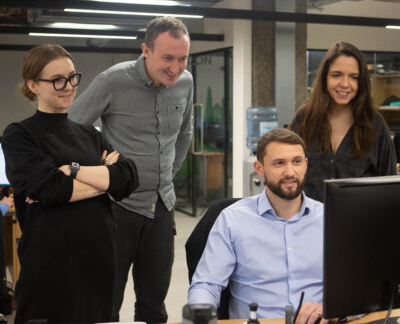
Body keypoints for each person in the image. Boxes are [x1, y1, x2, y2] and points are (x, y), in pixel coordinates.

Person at [68, 16, 193, 323]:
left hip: (162, 207)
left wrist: (167, 174)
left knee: (154, 303)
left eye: (182, 58)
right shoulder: (113, 80)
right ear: (146, 50)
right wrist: (98, 173)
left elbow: (185, 133)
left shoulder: (186, 82)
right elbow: (71, 129)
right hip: (117, 207)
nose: (176, 68)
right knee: (107, 301)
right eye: (167, 58)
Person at [2, 44, 139, 324]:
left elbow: (127, 178)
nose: (68, 86)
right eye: (57, 80)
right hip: (49, 263)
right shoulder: (19, 134)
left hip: (98, 260)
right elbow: (49, 187)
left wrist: (73, 171)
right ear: (33, 85)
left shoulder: (90, 133)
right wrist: (102, 179)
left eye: (72, 77)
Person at [188, 128, 325, 323]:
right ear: (259, 169)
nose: (290, 172)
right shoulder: (232, 220)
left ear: (305, 164)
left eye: (296, 162)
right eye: (279, 163)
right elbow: (206, 285)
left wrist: (329, 309)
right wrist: (200, 316)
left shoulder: (329, 219)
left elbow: (355, 287)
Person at [290, 42, 396, 202]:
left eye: (353, 77)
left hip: (359, 223)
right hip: (307, 223)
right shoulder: (304, 118)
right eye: (336, 75)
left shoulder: (375, 124)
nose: (345, 84)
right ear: (325, 77)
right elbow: (288, 172)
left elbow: (389, 185)